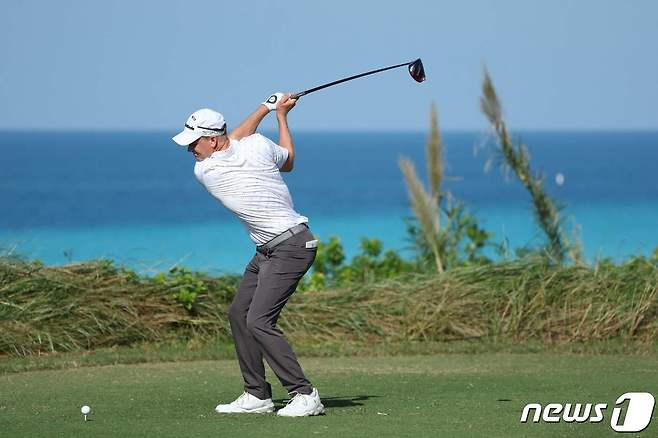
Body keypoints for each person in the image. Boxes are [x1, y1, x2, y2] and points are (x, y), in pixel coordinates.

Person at [172, 93, 324, 417]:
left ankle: (305, 393)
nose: (189, 149)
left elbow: (238, 136)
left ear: (212, 141)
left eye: (193, 142)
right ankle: (257, 395)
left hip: (292, 246)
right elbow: (289, 159)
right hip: (269, 249)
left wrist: (268, 108)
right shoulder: (252, 147)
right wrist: (279, 115)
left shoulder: (209, 168)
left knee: (259, 321)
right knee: (239, 314)